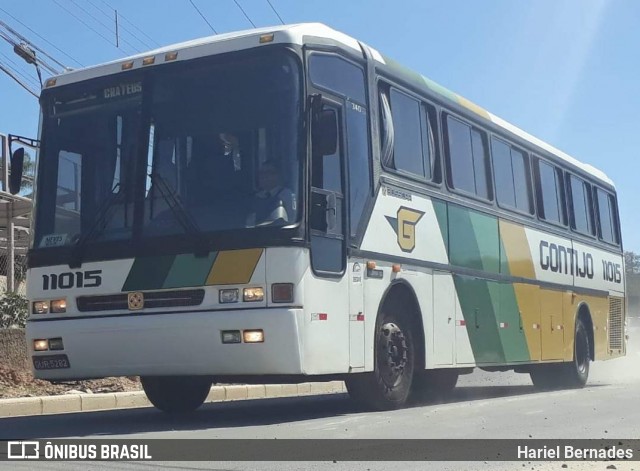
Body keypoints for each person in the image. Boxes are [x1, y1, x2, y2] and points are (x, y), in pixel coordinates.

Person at [249, 161, 296, 226]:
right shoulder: (256, 197)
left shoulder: (287, 195)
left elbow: (292, 221)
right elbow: (250, 222)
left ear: (278, 175)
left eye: (268, 172)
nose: (264, 176)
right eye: (261, 173)